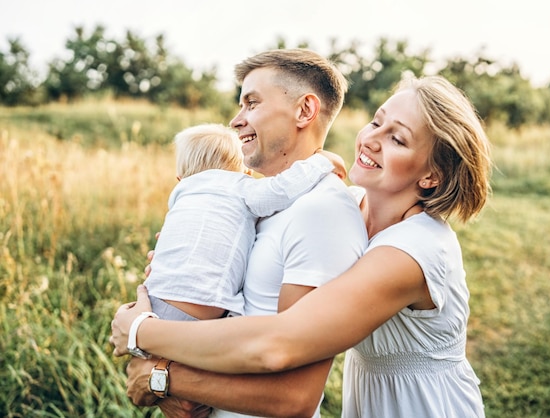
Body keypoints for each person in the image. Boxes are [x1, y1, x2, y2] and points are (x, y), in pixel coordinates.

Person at [111, 73, 492, 417]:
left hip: (423, 406)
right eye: (376, 121)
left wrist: (140, 333)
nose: (372, 139)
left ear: (431, 176)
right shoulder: (351, 203)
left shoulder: (413, 251)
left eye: (397, 138)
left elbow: (280, 343)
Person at [115, 49, 369, 418]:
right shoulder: (252, 204)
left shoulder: (321, 212)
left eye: (251, 103)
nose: (236, 121)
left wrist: (161, 377)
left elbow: (294, 397)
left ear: (304, 111)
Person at [144, 122, 346, 323]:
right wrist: (321, 161)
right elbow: (281, 190)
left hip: (153, 296)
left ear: (180, 178)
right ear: (247, 173)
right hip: (201, 305)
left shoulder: (183, 195)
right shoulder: (240, 187)